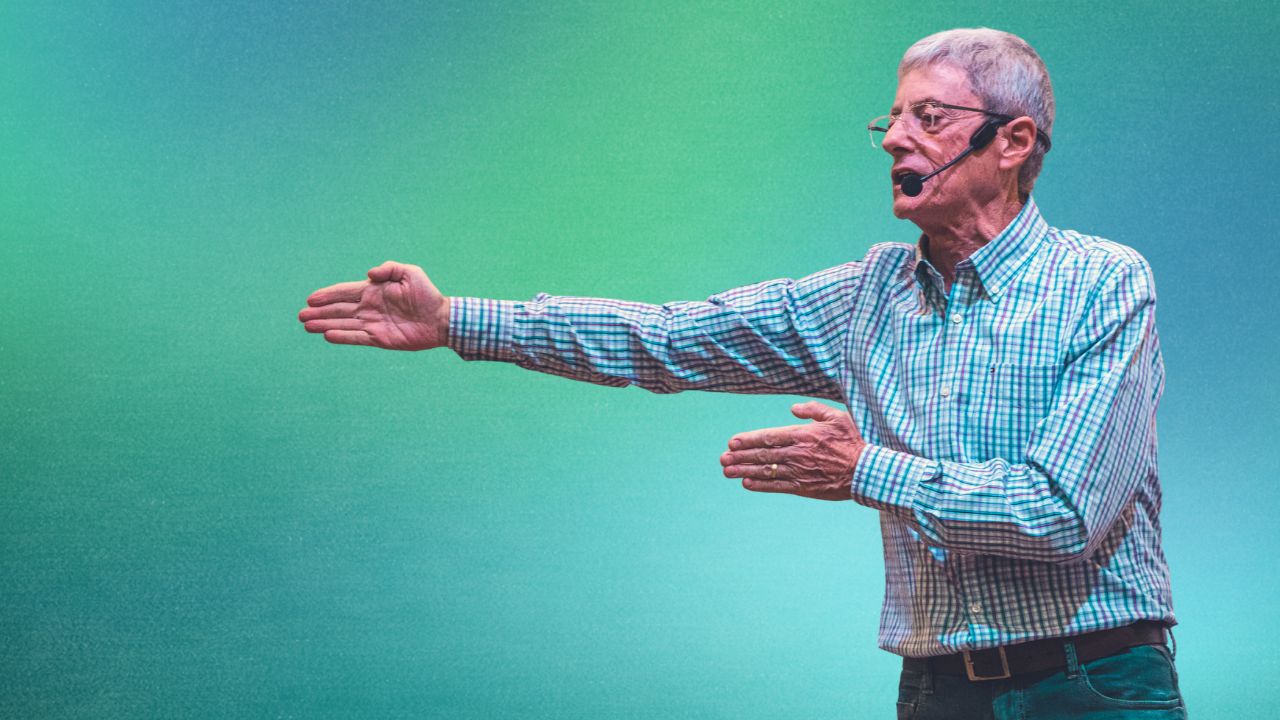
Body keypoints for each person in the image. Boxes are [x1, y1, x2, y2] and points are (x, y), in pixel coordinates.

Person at [298, 28, 1184, 719]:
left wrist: (865, 471)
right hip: (937, 688)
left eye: (929, 118)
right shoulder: (866, 297)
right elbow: (669, 338)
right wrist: (456, 320)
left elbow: (1062, 512)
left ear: (1013, 141)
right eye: (891, 119)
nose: (894, 140)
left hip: (1092, 680)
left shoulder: (1099, 283)